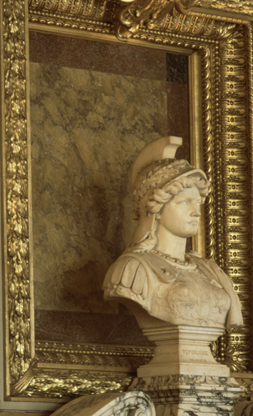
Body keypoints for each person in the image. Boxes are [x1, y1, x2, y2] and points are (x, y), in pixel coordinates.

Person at [103, 136, 242, 329]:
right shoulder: (133, 268)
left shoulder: (210, 270)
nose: (196, 212)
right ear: (156, 208)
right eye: (185, 202)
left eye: (197, 202)